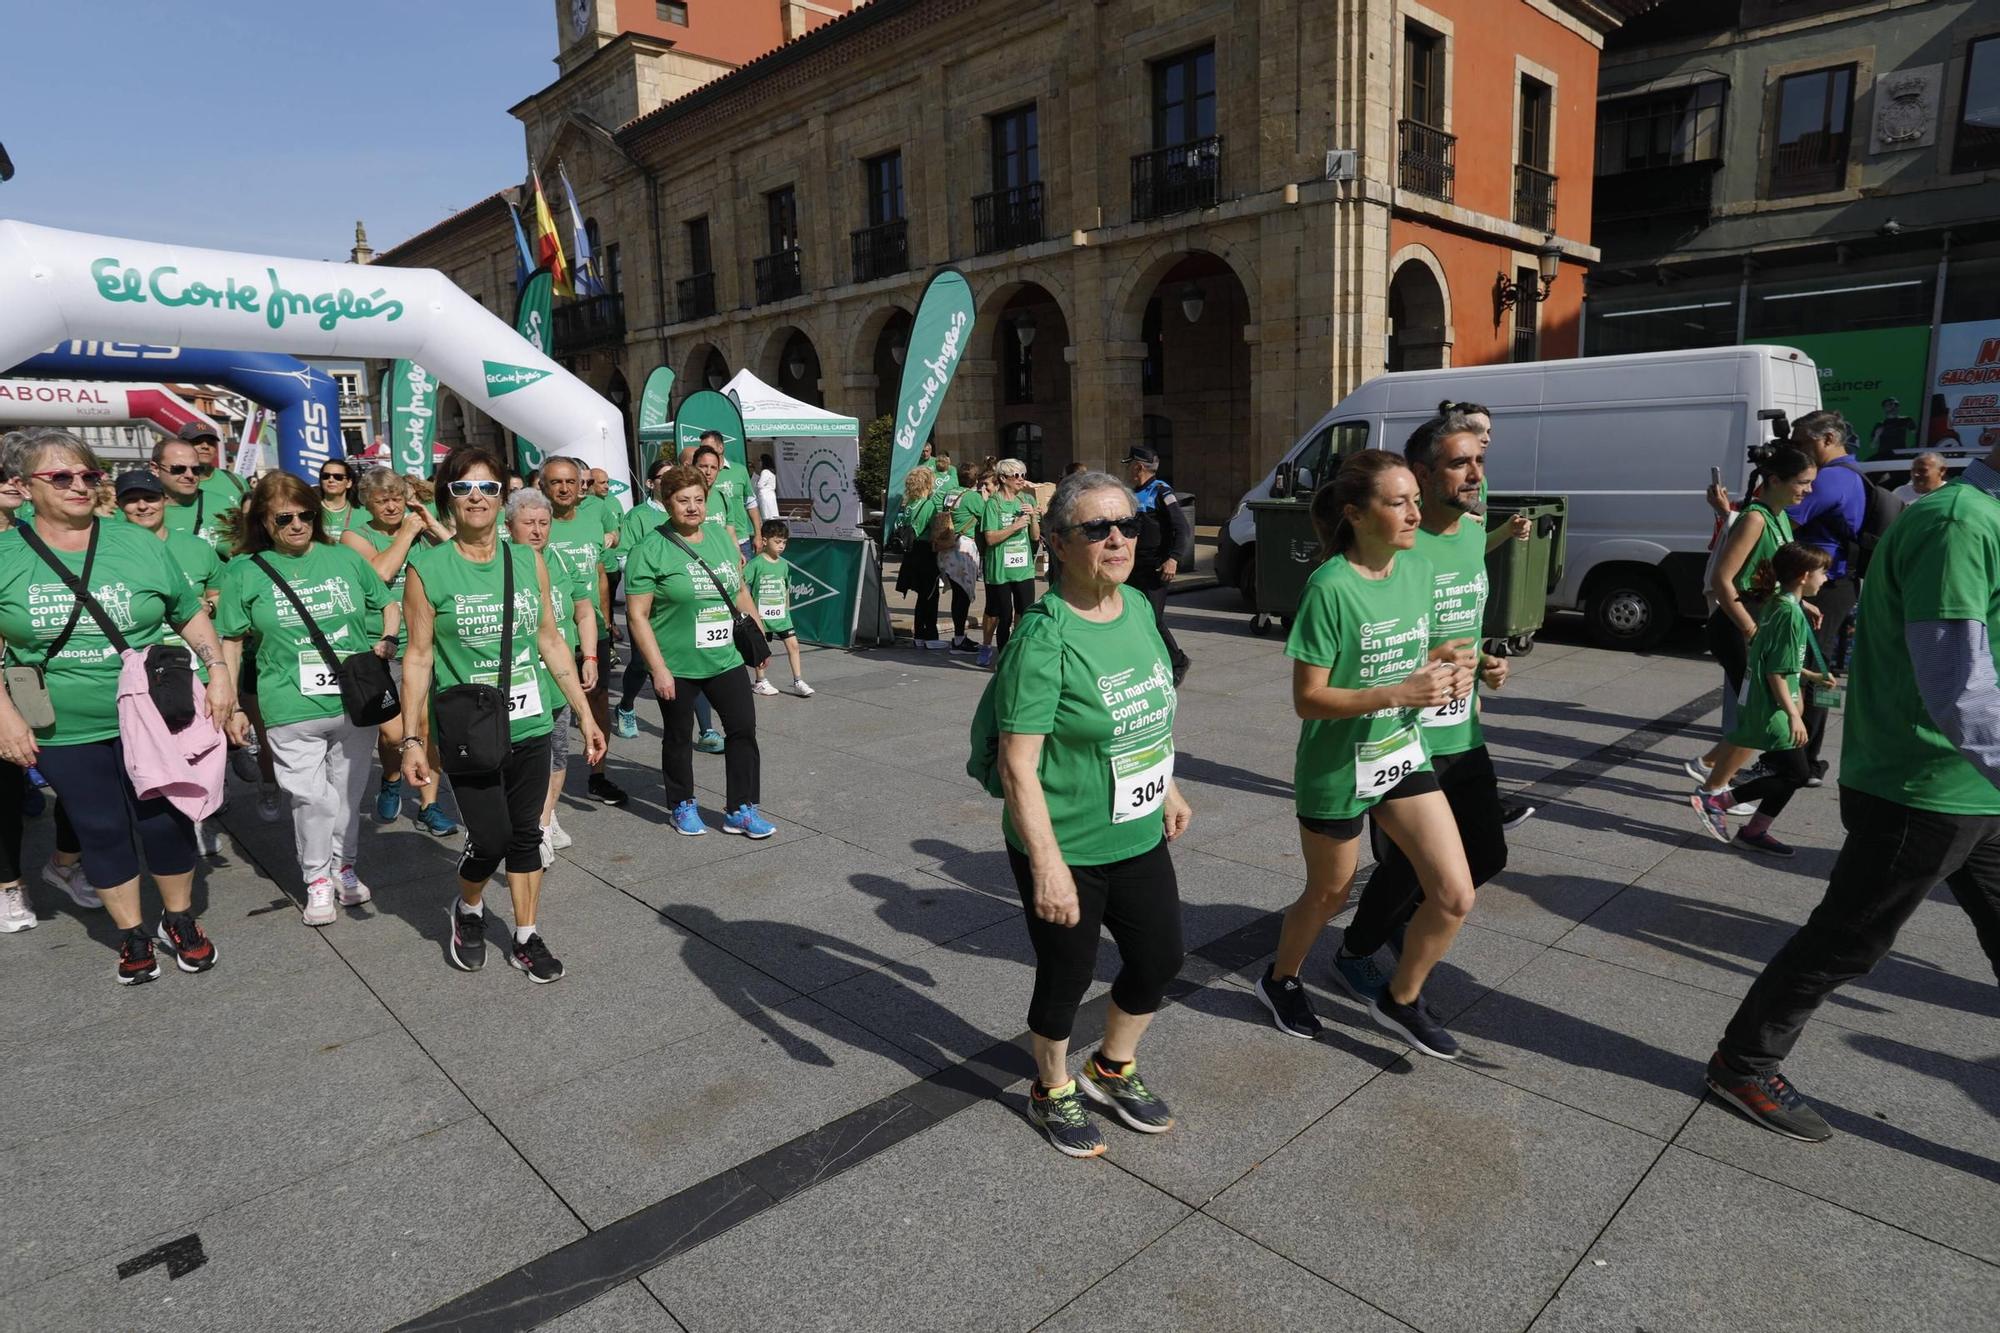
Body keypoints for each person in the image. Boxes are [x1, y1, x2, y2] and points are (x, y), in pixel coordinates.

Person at [1705, 441, 2000, 1143]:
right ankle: (1743, 1062)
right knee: (1848, 939)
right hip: (1920, 783)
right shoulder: (1959, 524)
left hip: (1975, 786)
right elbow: (1958, 682)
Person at [986, 469, 1190, 1157]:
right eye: (1095, 528)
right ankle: (1050, 1087)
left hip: (1134, 826)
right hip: (1066, 839)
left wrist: (1169, 783)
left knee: (1161, 956)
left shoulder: (1136, 607)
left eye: (1126, 525)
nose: (1116, 539)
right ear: (1057, 544)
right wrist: (1046, 864)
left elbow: (1147, 709)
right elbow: (1018, 762)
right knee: (1068, 975)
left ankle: (1110, 1067)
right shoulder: (1042, 640)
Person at [1254, 450, 1477, 1059]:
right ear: (1355, 514)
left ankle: (1400, 999)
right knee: (1329, 894)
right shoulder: (1329, 588)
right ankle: (1280, 978)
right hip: (1336, 766)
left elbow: (1423, 645)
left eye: (1414, 499)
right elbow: (1309, 698)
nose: (1414, 513)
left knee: (1455, 893)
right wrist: (1398, 690)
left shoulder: (1416, 569)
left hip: (1400, 750)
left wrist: (1461, 662)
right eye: (1397, 502)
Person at [0, 429, 232, 984]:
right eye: (61, 476)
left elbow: (187, 610)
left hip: (155, 714)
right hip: (64, 725)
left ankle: (179, 920)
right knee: (99, 827)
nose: (79, 485)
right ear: (23, 486)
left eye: (88, 475)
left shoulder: (139, 542)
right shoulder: (5, 554)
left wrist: (218, 670)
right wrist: (4, 714)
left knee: (166, 821)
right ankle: (131, 932)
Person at [1327, 416, 1515, 1007]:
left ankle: (1400, 923)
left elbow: (1461, 624)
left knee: (1487, 853)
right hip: (1403, 734)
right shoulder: (1399, 546)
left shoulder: (1470, 531)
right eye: (1460, 464)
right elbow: (1377, 640)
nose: (1476, 474)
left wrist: (1484, 660)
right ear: (1424, 474)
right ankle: (1358, 948)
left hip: (1462, 721)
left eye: (1478, 462)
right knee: (1411, 864)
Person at [400, 446, 606, 982]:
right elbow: (418, 657)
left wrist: (584, 714)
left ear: (501, 497)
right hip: (470, 730)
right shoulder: (427, 569)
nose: (476, 497)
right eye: (463, 488)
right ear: (448, 498)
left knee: (525, 836)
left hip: (532, 721)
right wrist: (412, 740)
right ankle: (468, 909)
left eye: (487, 488)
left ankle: (525, 934)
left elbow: (550, 642)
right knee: (487, 841)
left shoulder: (527, 559)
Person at [217, 472, 396, 926]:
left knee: (347, 796)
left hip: (354, 700)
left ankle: (344, 867)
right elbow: (232, 640)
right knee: (311, 799)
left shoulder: (344, 560)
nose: (297, 524)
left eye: (306, 515)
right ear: (263, 520)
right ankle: (317, 879)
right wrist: (233, 702)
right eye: (284, 517)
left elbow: (386, 601)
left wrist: (388, 640)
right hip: (289, 704)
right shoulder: (243, 571)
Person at [624, 464, 776, 839]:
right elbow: (637, 616)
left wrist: (758, 636)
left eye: (698, 499)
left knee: (743, 729)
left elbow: (739, 591)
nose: (692, 507)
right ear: (667, 502)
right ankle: (682, 803)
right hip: (677, 662)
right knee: (678, 736)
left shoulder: (720, 537)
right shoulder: (650, 549)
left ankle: (740, 809)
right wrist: (657, 668)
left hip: (724, 657)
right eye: (682, 500)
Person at [1691, 543, 1834, 857]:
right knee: (1797, 774)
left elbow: (1775, 658)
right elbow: (1775, 671)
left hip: (1771, 705)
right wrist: (1794, 715)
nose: (1826, 579)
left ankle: (1755, 829)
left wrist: (1810, 676)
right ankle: (1717, 801)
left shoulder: (1778, 604)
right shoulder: (1788, 613)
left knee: (1793, 774)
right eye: (1822, 572)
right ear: (1803, 576)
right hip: (1776, 710)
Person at [114, 469, 229, 856]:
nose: (142, 505)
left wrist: (207, 606)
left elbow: (217, 589)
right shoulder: (110, 550)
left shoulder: (195, 548)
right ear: (119, 505)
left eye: (149, 498)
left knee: (195, 747)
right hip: (137, 670)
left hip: (189, 665)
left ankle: (200, 812)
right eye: (131, 499)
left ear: (165, 501)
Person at [340, 468, 458, 837]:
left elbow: (462, 554)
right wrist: (407, 534)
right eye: (382, 500)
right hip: (382, 645)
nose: (391, 506)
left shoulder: (422, 527)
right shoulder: (354, 537)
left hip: (423, 642)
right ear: (367, 503)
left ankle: (429, 805)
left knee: (425, 728)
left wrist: (430, 524)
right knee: (393, 735)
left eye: (396, 498)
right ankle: (391, 778)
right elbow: (378, 576)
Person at [1691, 444, 1817, 787]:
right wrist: (1748, 628)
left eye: (1810, 483)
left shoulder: (1780, 518)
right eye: (1802, 482)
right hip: (1737, 626)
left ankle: (1708, 772)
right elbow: (1722, 580)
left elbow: (1775, 574)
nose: (1808, 490)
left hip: (1761, 623)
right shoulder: (1755, 518)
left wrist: (1803, 602)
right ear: (1775, 480)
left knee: (1761, 710)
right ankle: (1715, 789)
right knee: (1762, 712)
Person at [504, 487, 598, 863]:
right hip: (518, 683)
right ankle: (526, 821)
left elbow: (584, 609)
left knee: (557, 754)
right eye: (529, 523)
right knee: (519, 762)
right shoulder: (498, 562)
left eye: (544, 523)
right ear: (510, 525)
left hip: (558, 679)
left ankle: (543, 823)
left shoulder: (559, 561)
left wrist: (588, 655)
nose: (538, 530)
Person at [537, 456, 627, 807]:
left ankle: (598, 776)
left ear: (581, 487)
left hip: (590, 630)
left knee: (598, 701)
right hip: (550, 631)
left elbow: (600, 574)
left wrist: (606, 620)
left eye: (570, 482)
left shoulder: (593, 521)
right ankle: (544, 785)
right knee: (550, 707)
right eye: (556, 482)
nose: (564, 488)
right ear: (543, 486)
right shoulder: (537, 524)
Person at [1784, 410, 1865, 783]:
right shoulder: (1851, 473)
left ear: (1829, 439)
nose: (1797, 449)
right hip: (1837, 584)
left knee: (1803, 670)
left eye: (1803, 442)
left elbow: (1782, 518)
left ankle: (1797, 762)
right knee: (1822, 668)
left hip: (1824, 586)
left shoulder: (1830, 479)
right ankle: (1809, 760)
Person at [614, 454, 675, 739]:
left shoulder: (681, 509)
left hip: (677, 602)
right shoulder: (638, 516)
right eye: (664, 477)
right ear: (650, 483)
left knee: (682, 659)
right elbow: (623, 556)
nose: (671, 483)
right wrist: (654, 574)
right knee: (641, 663)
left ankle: (707, 729)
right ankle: (626, 706)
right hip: (646, 602)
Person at [1122, 445, 1193, 687]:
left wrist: (1173, 558)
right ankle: (1143, 662)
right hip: (1134, 568)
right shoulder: (1132, 494)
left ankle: (1178, 661)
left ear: (1139, 466)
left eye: (1130, 465)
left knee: (1153, 619)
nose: (1128, 469)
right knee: (1133, 617)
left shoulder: (1160, 491)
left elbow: (1182, 528)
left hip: (1155, 568)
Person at [978, 458, 1040, 666]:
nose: (1021, 479)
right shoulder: (993, 504)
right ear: (1003, 478)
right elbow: (990, 538)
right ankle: (999, 655)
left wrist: (1032, 519)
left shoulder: (1026, 501)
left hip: (1023, 568)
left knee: (1025, 611)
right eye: (1016, 476)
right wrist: (1014, 526)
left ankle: (1017, 653)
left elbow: (1035, 537)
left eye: (1023, 475)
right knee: (1002, 615)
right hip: (1000, 569)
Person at [747, 520, 811, 697]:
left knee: (794, 645)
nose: (781, 546)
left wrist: (787, 610)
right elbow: (742, 587)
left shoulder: (784, 564)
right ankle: (760, 682)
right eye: (777, 541)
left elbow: (786, 588)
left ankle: (798, 680)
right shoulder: (756, 564)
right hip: (761, 616)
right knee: (760, 650)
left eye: (784, 542)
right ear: (765, 540)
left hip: (782, 615)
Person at [153, 434, 237, 556]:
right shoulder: (137, 510)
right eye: (178, 469)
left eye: (196, 469)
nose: (190, 475)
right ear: (155, 468)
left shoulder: (222, 506)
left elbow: (244, 557)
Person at [895, 467, 948, 649]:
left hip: (911, 553)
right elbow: (935, 531)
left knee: (921, 596)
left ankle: (919, 634)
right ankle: (931, 635)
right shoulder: (929, 505)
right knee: (931, 595)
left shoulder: (910, 505)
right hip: (926, 551)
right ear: (927, 483)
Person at [317, 459, 357, 539]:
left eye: (338, 477)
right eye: (325, 476)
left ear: (349, 483)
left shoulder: (366, 514)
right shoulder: (310, 511)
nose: (331, 480)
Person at [754, 452, 778, 530]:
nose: (759, 463)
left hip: (765, 497)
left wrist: (756, 480)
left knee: (766, 516)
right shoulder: (771, 472)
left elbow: (760, 485)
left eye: (760, 461)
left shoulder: (765, 472)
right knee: (771, 516)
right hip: (770, 496)